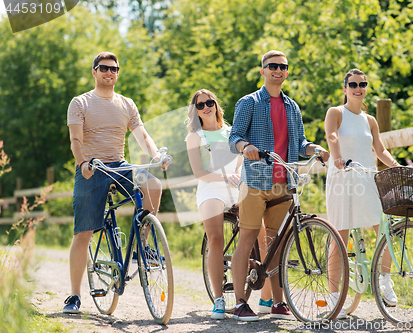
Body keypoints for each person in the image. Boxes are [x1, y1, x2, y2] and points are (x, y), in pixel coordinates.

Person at [64, 51, 169, 313]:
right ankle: (75, 295)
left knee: (153, 183)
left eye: (114, 69)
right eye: (104, 68)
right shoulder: (80, 102)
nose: (109, 73)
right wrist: (83, 162)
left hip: (121, 166)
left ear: (118, 73)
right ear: (94, 72)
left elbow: (142, 136)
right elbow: (76, 139)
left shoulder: (126, 103)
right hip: (92, 167)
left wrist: (156, 155)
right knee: (83, 234)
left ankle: (143, 244)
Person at [229, 50, 330, 321]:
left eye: (283, 67)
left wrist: (314, 148)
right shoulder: (249, 102)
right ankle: (240, 303)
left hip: (284, 182)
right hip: (255, 181)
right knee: (249, 238)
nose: (278, 70)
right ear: (262, 70)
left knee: (277, 242)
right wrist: (246, 146)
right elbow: (234, 137)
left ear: (287, 72)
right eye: (272, 66)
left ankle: (277, 303)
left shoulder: (292, 107)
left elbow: (299, 144)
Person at [185, 89, 272, 319]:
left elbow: (241, 162)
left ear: (216, 104)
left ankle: (266, 296)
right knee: (216, 239)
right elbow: (199, 172)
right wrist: (225, 178)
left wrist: (238, 178)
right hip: (210, 187)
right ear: (195, 111)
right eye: (200, 105)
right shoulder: (195, 136)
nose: (206, 107)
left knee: (261, 233)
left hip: (236, 187)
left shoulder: (231, 132)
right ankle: (219, 299)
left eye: (209, 102)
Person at [324, 68, 400, 319]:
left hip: (367, 178)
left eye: (363, 83)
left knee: (384, 229)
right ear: (345, 89)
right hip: (343, 177)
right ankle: (334, 295)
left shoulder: (370, 120)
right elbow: (332, 135)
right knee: (340, 235)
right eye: (353, 84)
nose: (358, 87)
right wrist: (337, 158)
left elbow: (379, 148)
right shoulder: (336, 112)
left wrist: (394, 165)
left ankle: (384, 280)